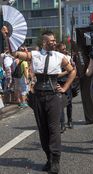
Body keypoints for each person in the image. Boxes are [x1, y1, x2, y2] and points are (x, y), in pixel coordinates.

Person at [2, 27, 76, 174]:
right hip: (38, 97)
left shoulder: (59, 56)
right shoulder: (34, 54)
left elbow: (72, 71)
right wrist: (6, 37)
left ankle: (56, 161)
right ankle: (48, 158)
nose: (54, 43)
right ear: (44, 42)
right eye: (51, 41)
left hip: (54, 96)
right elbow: (14, 53)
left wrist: (66, 87)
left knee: (54, 129)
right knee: (43, 129)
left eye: (55, 41)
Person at [56, 42, 75, 132]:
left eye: (65, 48)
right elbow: (57, 75)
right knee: (60, 104)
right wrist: (68, 71)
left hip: (68, 83)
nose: (65, 50)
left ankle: (70, 120)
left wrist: (73, 67)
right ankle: (62, 124)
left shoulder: (69, 58)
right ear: (58, 50)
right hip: (59, 83)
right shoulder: (56, 59)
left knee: (69, 103)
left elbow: (74, 71)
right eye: (62, 49)